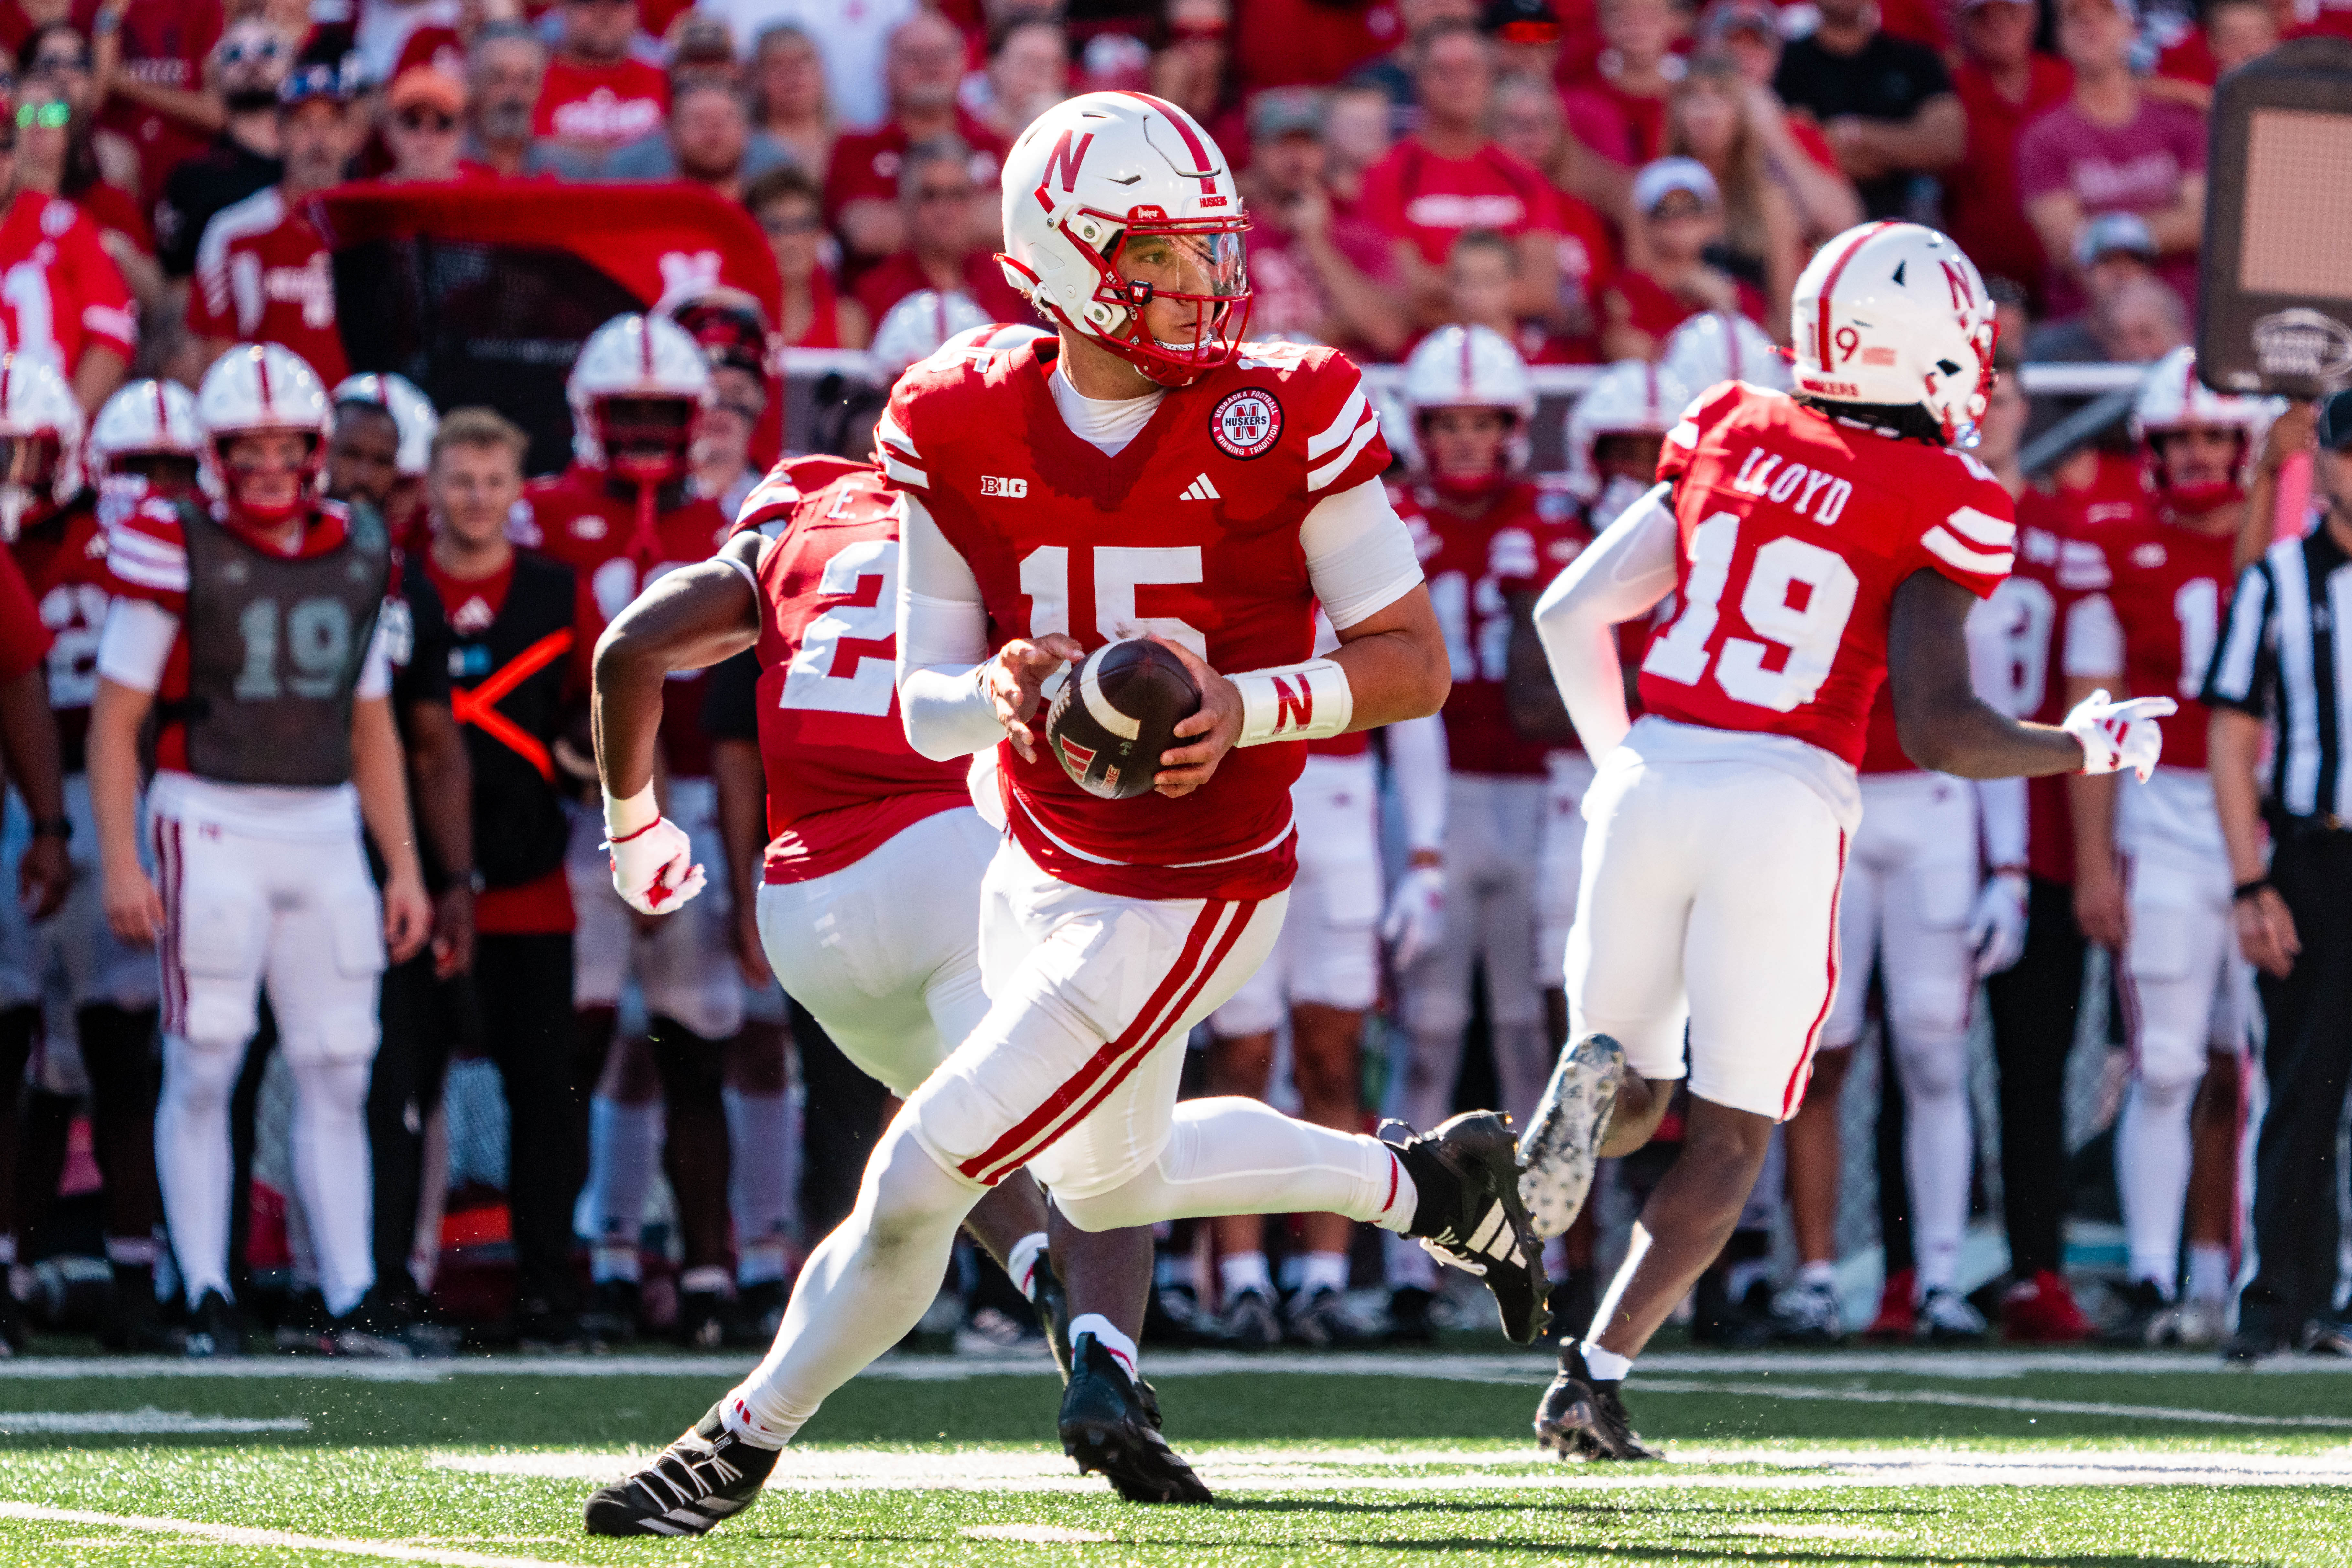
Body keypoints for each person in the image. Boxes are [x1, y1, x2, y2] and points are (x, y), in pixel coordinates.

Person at [582, 90, 1535, 1537]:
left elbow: (1410, 663)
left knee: (925, 1164)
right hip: (1031, 853)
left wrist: (1247, 708)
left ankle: (737, 1442)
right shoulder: (953, 415)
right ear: (1061, 259)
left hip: (1199, 877)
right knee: (1112, 1171)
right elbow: (922, 708)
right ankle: (1434, 1192)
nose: (1201, 285)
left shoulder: (1285, 410)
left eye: (1208, 252)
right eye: (1157, 257)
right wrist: (1010, 694)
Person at [1524, 221, 2174, 1457]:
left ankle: (1555, 1127)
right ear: (1930, 353)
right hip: (1784, 795)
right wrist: (2081, 744)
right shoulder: (1950, 493)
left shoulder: (1730, 422)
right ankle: (1593, 1372)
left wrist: (1627, 767)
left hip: (1652, 764)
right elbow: (1940, 728)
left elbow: (1571, 611)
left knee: (1629, 1079)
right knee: (1730, 1128)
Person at [594, 418, 1215, 1491]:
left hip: (804, 899)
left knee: (944, 1129)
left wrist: (633, 828)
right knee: (1106, 1129)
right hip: (953, 857)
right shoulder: (1011, 515)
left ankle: (1034, 1278)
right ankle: (1114, 1353)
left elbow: (627, 651)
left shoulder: (799, 511)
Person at [89, 342, 433, 1357]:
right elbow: (118, 721)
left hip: (325, 819)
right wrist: (120, 854)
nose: (273, 465)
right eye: (251, 446)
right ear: (215, 452)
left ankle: (351, 1291)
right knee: (206, 1057)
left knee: (339, 1061)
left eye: (290, 445)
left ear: (318, 449)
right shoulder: (174, 537)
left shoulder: (364, 541)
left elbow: (372, 722)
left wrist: (402, 862)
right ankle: (199, 1286)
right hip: (211, 814)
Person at [510, 312, 739, 1349]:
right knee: (580, 1039)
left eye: (663, 412)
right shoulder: (541, 514)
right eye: (628, 412)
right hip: (580, 809)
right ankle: (575, 1262)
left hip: (686, 796)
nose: (646, 430)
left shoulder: (730, 521)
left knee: (696, 1043)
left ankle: (704, 1266)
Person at [2065, 349, 2277, 1346]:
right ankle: (2155, 1278)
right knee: (2165, 1063)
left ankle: (2241, 1275)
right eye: (2178, 436)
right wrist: (2097, 860)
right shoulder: (2116, 546)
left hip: (2270, 815)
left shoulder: (2295, 544)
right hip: (2163, 818)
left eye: (2213, 436)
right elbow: (2094, 724)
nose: (2194, 454)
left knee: (2262, 1065)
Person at [1376, 325, 1584, 1332]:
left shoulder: (1550, 517)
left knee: (1521, 1028)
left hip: (1531, 789)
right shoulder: (1394, 514)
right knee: (1427, 1026)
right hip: (1434, 786)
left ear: (1511, 428)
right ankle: (1411, 1264)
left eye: (1480, 423)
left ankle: (1531, 1237)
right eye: (1447, 423)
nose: (1463, 441)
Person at [420, 406, 604, 1348]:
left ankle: (548, 1285)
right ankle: (391, 1285)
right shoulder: (399, 587)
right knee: (403, 1085)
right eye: (460, 479)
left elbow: (605, 712)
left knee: (546, 1092)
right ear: (431, 483)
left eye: (494, 480)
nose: (477, 498)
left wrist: (589, 762)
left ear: (517, 488)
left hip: (534, 883)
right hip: (413, 887)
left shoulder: (555, 591)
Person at [2205, 388, 2352, 1362]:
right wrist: (2251, 881)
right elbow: (2229, 735)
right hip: (2315, 851)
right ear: (2326, 462)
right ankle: (2279, 1297)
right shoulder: (2276, 581)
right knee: (2301, 1081)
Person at [0, 356, 120, 1354]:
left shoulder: (112, 541)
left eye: (20, 453)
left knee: (83, 1044)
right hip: (46, 802)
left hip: (89, 793)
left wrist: (50, 822)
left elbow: (25, 673)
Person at [1358, 19, 1563, 332]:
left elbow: (1540, 291)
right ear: (1419, 80)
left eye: (1469, 69)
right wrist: (1493, 293)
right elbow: (1405, 291)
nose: (1457, 82)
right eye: (1443, 71)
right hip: (1422, 360)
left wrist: (1449, 291)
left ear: (1489, 77)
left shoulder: (1522, 176)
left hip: (1509, 360)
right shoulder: (1388, 174)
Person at [2018, 0, 2206, 321]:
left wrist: (2102, 237)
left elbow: (2200, 223)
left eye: (2104, 14)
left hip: (2182, 324)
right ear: (2060, 36)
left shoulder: (2181, 124)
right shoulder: (2041, 138)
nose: (2090, 26)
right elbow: (2066, 246)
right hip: (2085, 324)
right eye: (2075, 18)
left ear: (2131, 29)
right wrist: (2159, 230)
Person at [187, 61, 356, 387]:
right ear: (277, 134)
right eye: (303, 124)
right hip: (273, 423)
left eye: (331, 124)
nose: (319, 140)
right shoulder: (233, 232)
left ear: (351, 136)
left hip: (357, 424)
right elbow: (221, 358)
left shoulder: (377, 232)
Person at [823, 11, 1007, 270]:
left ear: (964, 63)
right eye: (914, 57)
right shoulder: (854, 148)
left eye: (941, 55)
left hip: (991, 303)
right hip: (885, 305)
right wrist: (978, 217)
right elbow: (867, 234)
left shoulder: (997, 142)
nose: (929, 66)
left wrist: (902, 218)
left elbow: (1015, 225)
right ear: (886, 68)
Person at [1237, 88, 1408, 361]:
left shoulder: (1359, 234)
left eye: (1307, 143)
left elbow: (1388, 332)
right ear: (1255, 150)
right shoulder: (1231, 237)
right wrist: (1338, 329)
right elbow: (1220, 336)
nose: (1295, 157)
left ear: (1326, 151)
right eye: (1281, 143)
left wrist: (1318, 244)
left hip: (1345, 391)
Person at [0, 87, 135, 416]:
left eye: (3, 147)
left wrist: (65, 427)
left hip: (49, 439)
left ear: (16, 157)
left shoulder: (64, 225)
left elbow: (112, 336)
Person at [1771, 0, 1963, 221]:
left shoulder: (1918, 61)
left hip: (1908, 229)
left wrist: (1852, 134)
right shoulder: (1783, 64)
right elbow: (1792, 151)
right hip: (1815, 233)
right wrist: (1905, 147)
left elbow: (1946, 145)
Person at [1944, 0, 2073, 311]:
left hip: (2068, 281)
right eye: (1983, 15)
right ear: (1962, 23)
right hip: (1981, 287)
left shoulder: (2066, 78)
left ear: (2034, 15)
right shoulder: (1949, 92)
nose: (1999, 22)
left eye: (2011, 11)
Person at [1664, 56, 1802, 339]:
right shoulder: (1653, 191)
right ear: (1676, 112)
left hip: (1753, 354)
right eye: (1694, 97)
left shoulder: (1770, 201)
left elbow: (1787, 321)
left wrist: (1733, 305)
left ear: (1741, 115)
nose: (1705, 109)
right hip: (1671, 349)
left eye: (1720, 96)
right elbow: (1638, 291)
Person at [151, 19, 291, 287]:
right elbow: (176, 284)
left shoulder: (318, 164)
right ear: (215, 77)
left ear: (293, 65)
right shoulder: (193, 177)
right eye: (235, 54)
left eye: (268, 51)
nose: (252, 63)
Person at [1598, 159, 1767, 362]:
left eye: (1692, 208)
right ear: (1644, 223)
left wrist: (1724, 304)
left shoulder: (1743, 296)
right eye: (1663, 211)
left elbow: (1756, 361)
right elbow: (1624, 351)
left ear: (1714, 221)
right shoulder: (1625, 293)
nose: (1678, 220)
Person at [851, 134, 1030, 325]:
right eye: (930, 196)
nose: (944, 211)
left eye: (957, 195)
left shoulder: (1007, 283)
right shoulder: (875, 291)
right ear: (906, 203)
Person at [746, 164, 869, 350]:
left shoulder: (848, 322)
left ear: (821, 233)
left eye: (802, 225)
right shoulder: (735, 318)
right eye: (775, 227)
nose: (790, 241)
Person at [533, 0, 668, 165]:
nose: (603, 14)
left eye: (617, 3)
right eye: (588, 3)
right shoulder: (534, 81)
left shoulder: (665, 80)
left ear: (637, 11)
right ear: (562, 10)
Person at [462, 22, 549, 180]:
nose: (514, 93)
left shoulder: (561, 170)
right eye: (499, 79)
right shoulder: (448, 167)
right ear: (474, 86)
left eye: (526, 80)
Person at [747, 23, 833, 175]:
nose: (791, 75)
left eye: (802, 61)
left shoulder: (853, 143)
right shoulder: (744, 150)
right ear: (757, 78)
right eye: (776, 65)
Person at [381, 67, 480, 184]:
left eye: (443, 123)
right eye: (412, 122)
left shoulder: (486, 195)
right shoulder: (367, 199)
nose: (426, 135)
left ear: (463, 130)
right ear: (389, 129)